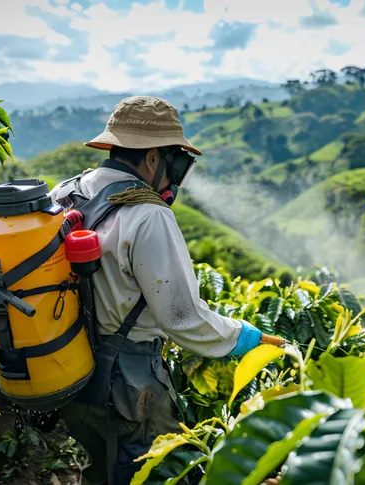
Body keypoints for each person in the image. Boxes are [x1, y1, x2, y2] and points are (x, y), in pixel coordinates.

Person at [49, 96, 279, 485]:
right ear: (153, 158)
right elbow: (182, 318)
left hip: (68, 370)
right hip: (126, 384)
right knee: (158, 472)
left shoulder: (67, 193)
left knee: (104, 466)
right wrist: (248, 339)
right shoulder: (148, 215)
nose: (175, 178)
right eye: (175, 163)